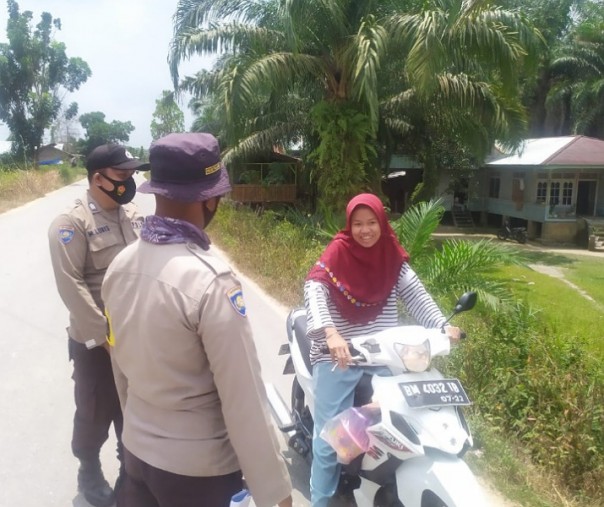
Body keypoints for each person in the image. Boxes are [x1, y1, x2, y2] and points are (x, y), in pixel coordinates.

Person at [101, 132, 293, 507]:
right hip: (199, 474)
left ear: (156, 192)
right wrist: (276, 495)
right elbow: (245, 403)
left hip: (137, 456)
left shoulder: (119, 267)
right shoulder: (210, 281)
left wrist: (139, 434)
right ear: (210, 199)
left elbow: (120, 369)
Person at [304, 193, 461, 507]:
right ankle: (319, 501)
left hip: (382, 353)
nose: (365, 230)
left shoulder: (391, 256)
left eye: (371, 222)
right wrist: (331, 333)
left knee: (399, 414)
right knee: (330, 437)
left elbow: (416, 295)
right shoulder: (338, 251)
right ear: (350, 226)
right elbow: (315, 288)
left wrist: (442, 326)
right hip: (340, 356)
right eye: (358, 224)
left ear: (382, 222)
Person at [48, 144, 150, 507]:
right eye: (122, 177)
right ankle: (88, 470)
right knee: (94, 411)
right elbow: (71, 286)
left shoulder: (133, 214)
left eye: (131, 176)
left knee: (133, 412)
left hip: (136, 338)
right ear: (97, 179)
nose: (129, 183)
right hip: (96, 343)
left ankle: (129, 474)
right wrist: (107, 338)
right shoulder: (71, 225)